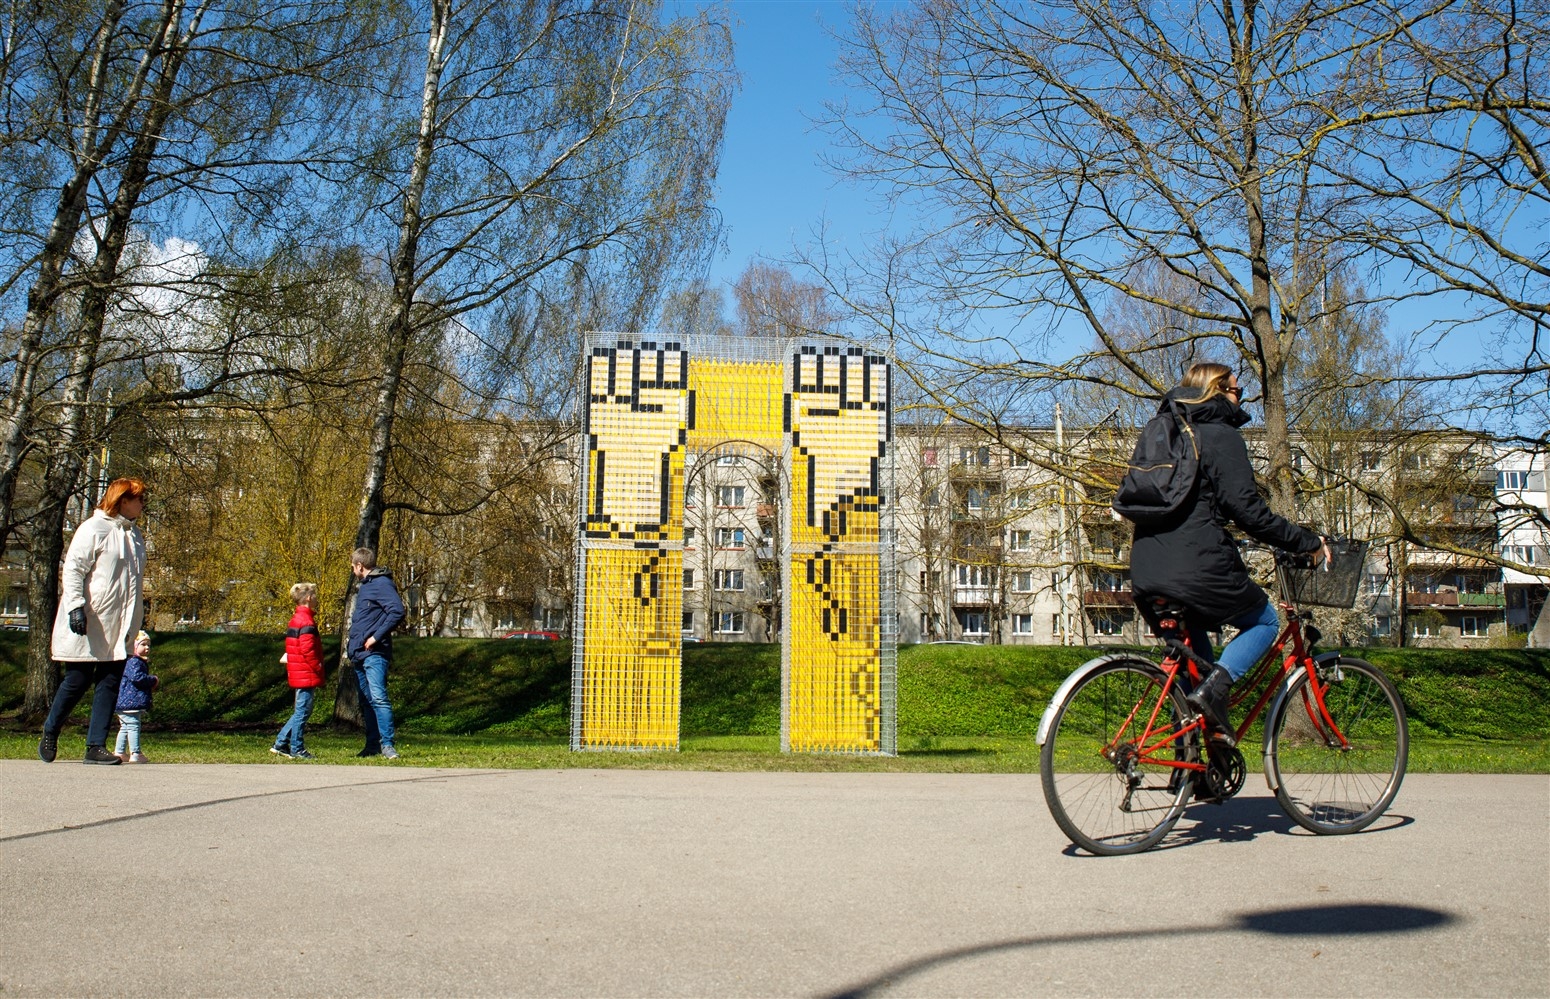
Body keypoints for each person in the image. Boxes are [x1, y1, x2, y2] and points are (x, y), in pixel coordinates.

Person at [1128, 364, 1330, 745]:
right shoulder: (1220, 435)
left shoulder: (1166, 432)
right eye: (1238, 391)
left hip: (1146, 569)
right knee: (1265, 621)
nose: (1242, 398)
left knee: (1195, 668)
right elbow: (1249, 512)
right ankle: (1214, 692)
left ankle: (1193, 761)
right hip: (1194, 568)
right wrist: (1307, 542)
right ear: (1218, 391)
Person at [39, 477, 149, 765]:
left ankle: (95, 746)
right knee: (77, 679)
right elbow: (74, 569)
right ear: (123, 500)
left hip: (119, 624)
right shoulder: (94, 528)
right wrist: (75, 606)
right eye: (139, 499)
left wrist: (136, 618)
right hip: (91, 619)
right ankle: (51, 730)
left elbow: (132, 583)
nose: (143, 504)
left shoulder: (134, 535)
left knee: (110, 681)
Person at [347, 548, 405, 759]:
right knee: (366, 700)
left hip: (374, 653)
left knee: (379, 698)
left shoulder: (381, 584)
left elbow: (397, 611)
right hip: (359, 653)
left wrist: (375, 637)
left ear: (359, 566)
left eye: (353, 567)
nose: (353, 570)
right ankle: (372, 745)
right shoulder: (366, 586)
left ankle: (387, 745)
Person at [273, 582, 325, 760]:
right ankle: (297, 748)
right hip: (306, 671)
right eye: (314, 595)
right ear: (309, 598)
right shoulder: (306, 621)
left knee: (302, 710)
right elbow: (307, 649)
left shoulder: (297, 619)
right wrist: (317, 666)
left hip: (299, 670)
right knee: (303, 711)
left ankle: (281, 743)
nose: (316, 599)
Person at [113, 630, 158, 763]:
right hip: (131, 701)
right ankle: (136, 753)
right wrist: (153, 680)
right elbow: (137, 678)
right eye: (143, 644)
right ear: (134, 646)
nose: (147, 648)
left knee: (125, 727)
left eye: (148, 645)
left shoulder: (131, 661)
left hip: (124, 702)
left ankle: (120, 752)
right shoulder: (134, 661)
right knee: (133, 726)